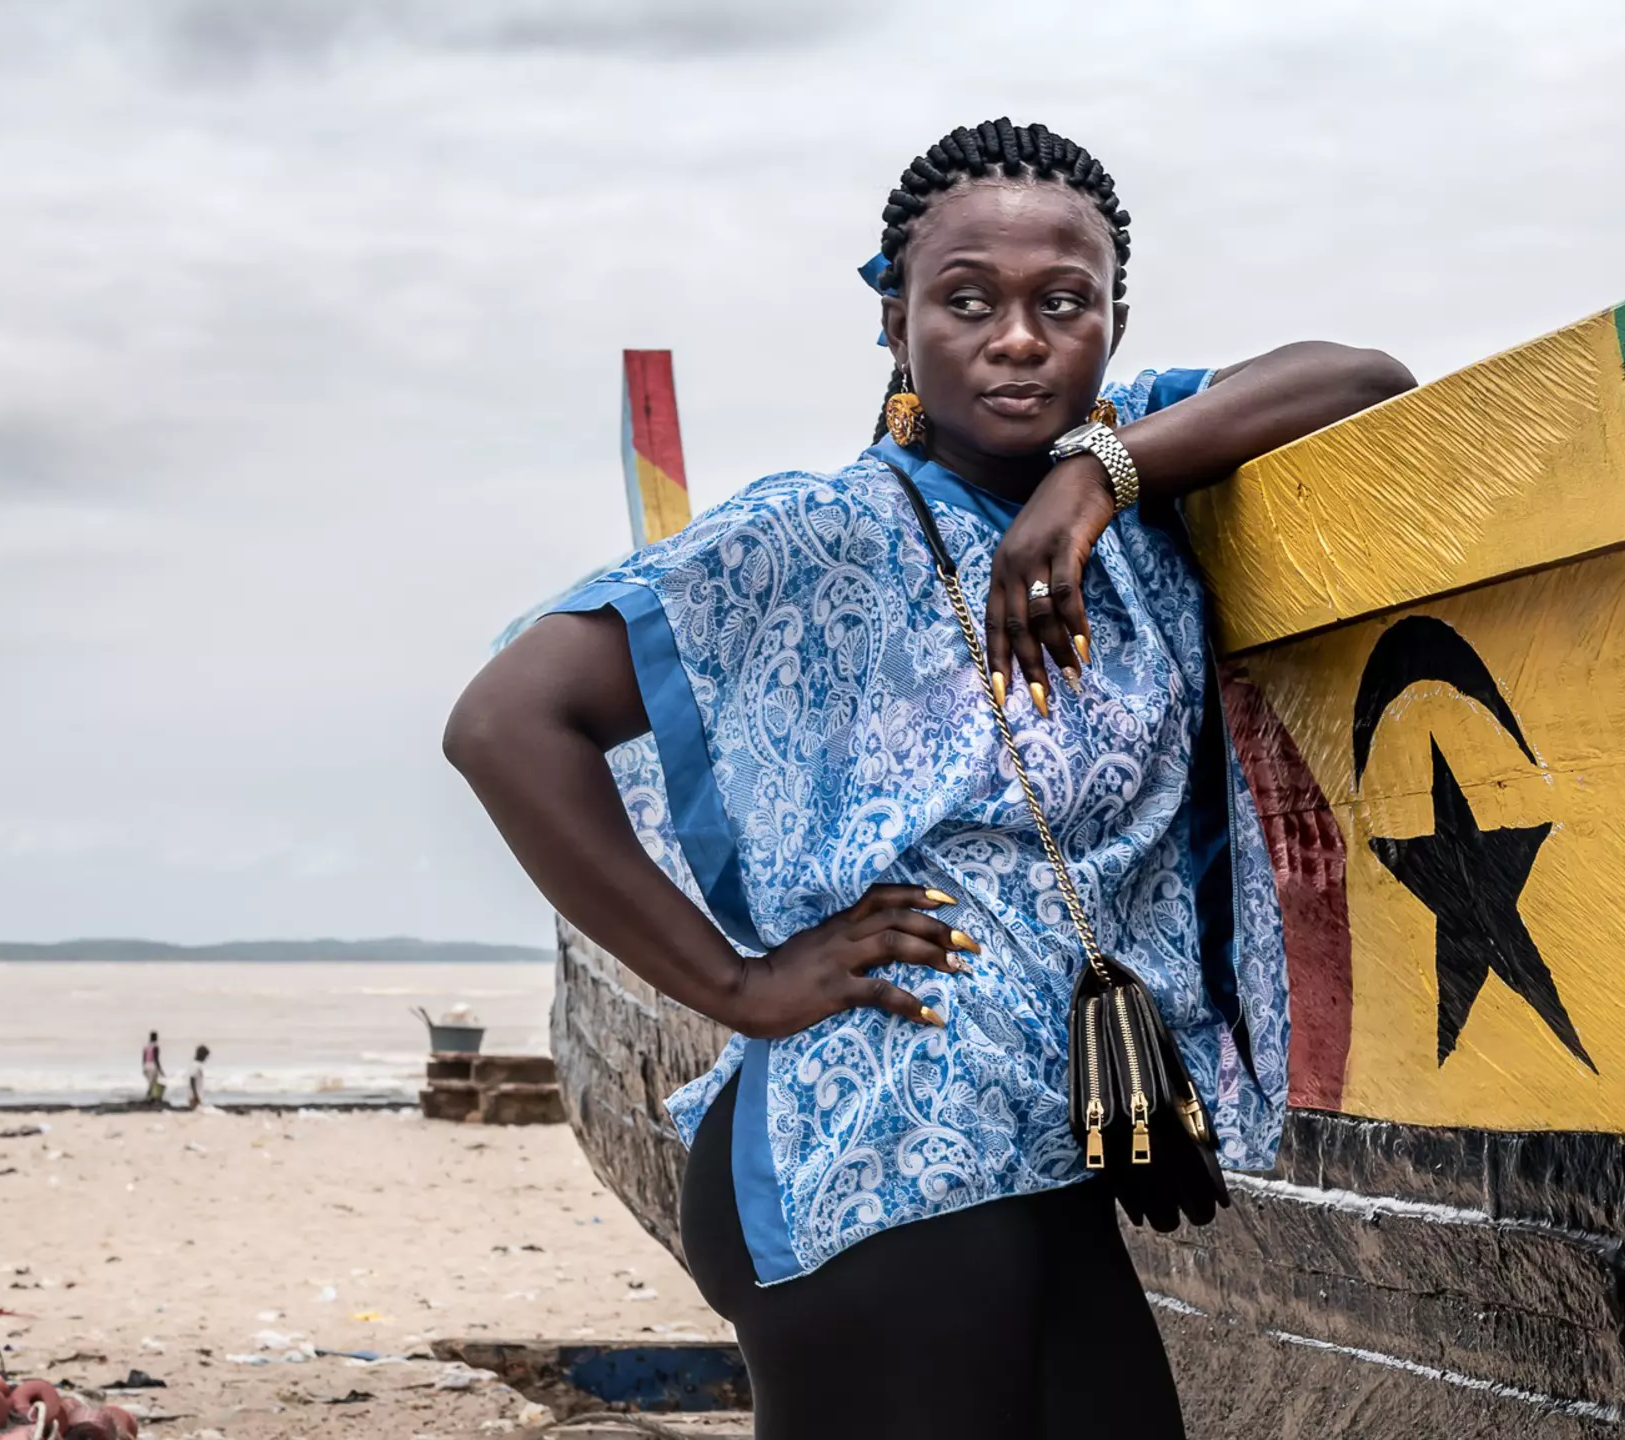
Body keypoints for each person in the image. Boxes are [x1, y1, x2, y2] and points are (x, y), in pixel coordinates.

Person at [445, 118, 1413, 1437]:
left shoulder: (1137, 459)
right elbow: (506, 724)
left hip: (1034, 1151)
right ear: (896, 326)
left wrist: (1091, 480)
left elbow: (1365, 381)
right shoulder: (817, 536)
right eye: (966, 302)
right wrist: (739, 986)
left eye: (1061, 303)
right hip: (877, 1155)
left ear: (1112, 325)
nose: (1017, 338)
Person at [141, 1030, 164, 1106]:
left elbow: (143, 1058)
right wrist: (160, 1070)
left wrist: (143, 1067)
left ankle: (150, 1097)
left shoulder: (146, 1046)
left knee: (151, 1083)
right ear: (156, 1038)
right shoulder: (156, 1047)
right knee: (153, 1083)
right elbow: (156, 1059)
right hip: (152, 1065)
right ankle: (149, 1097)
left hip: (146, 1065)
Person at [186, 1044, 210, 1111]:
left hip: (196, 1095)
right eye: (205, 1056)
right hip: (194, 1096)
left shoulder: (197, 1065)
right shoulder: (195, 1065)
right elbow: (192, 1079)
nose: (205, 1059)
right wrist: (195, 1095)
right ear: (201, 1055)